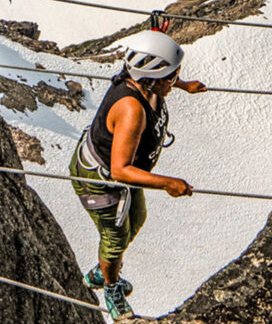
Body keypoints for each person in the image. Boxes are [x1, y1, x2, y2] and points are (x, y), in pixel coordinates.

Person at [69, 30, 206, 321]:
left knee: (137, 220)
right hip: (102, 181)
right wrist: (169, 183)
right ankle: (110, 285)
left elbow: (156, 72)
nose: (174, 79)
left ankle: (104, 267)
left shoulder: (142, 81)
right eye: (172, 76)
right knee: (115, 237)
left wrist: (183, 85)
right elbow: (120, 170)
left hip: (123, 173)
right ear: (153, 78)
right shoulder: (132, 110)